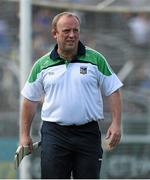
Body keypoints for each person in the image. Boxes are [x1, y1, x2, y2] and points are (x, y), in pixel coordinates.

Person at [20, 11, 123, 179]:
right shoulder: (42, 65)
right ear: (54, 33)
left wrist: (117, 123)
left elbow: (114, 90)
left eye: (75, 30)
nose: (72, 35)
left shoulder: (96, 59)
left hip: (88, 133)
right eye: (66, 31)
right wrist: (24, 135)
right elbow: (29, 100)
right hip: (54, 134)